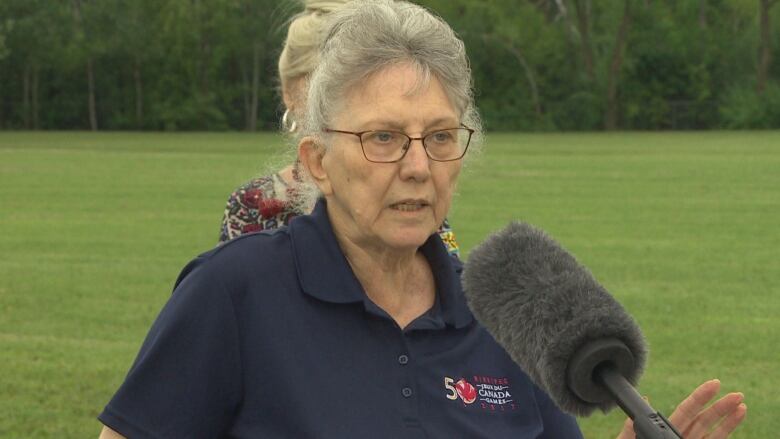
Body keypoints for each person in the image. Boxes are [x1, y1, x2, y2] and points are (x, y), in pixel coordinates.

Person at [98, 1, 746, 437]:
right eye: (383, 137)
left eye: (439, 136)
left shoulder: (507, 309)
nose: (417, 166)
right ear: (317, 161)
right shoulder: (233, 292)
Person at [217, 0, 462, 257]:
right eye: (320, 83)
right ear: (289, 92)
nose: (418, 167)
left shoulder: (409, 204)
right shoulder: (254, 206)